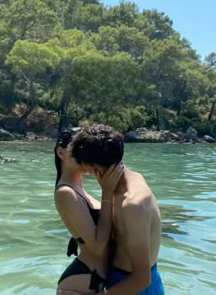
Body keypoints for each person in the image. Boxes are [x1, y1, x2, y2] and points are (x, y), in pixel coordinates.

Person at [71, 124, 165, 295]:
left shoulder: (133, 204)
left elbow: (142, 278)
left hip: (134, 287)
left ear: (95, 168)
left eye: (86, 169)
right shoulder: (127, 180)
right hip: (121, 281)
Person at [54, 129, 124, 295]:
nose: (83, 154)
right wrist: (107, 192)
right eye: (77, 148)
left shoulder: (78, 189)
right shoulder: (66, 193)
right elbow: (98, 246)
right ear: (61, 152)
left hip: (94, 280)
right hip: (82, 283)